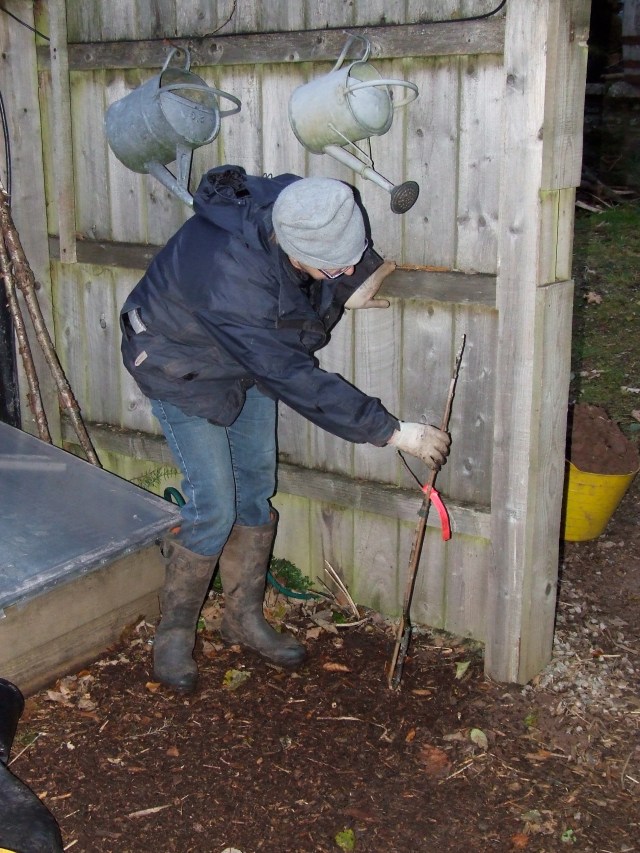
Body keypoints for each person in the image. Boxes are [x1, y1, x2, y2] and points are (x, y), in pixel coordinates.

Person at [120, 165, 450, 693]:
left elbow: (323, 266)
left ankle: (241, 618)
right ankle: (174, 631)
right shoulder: (232, 278)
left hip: (244, 356)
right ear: (295, 251)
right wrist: (393, 432)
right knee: (215, 506)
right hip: (180, 365)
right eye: (334, 269)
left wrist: (351, 279)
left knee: (255, 489)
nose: (345, 272)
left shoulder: (306, 205)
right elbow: (292, 373)